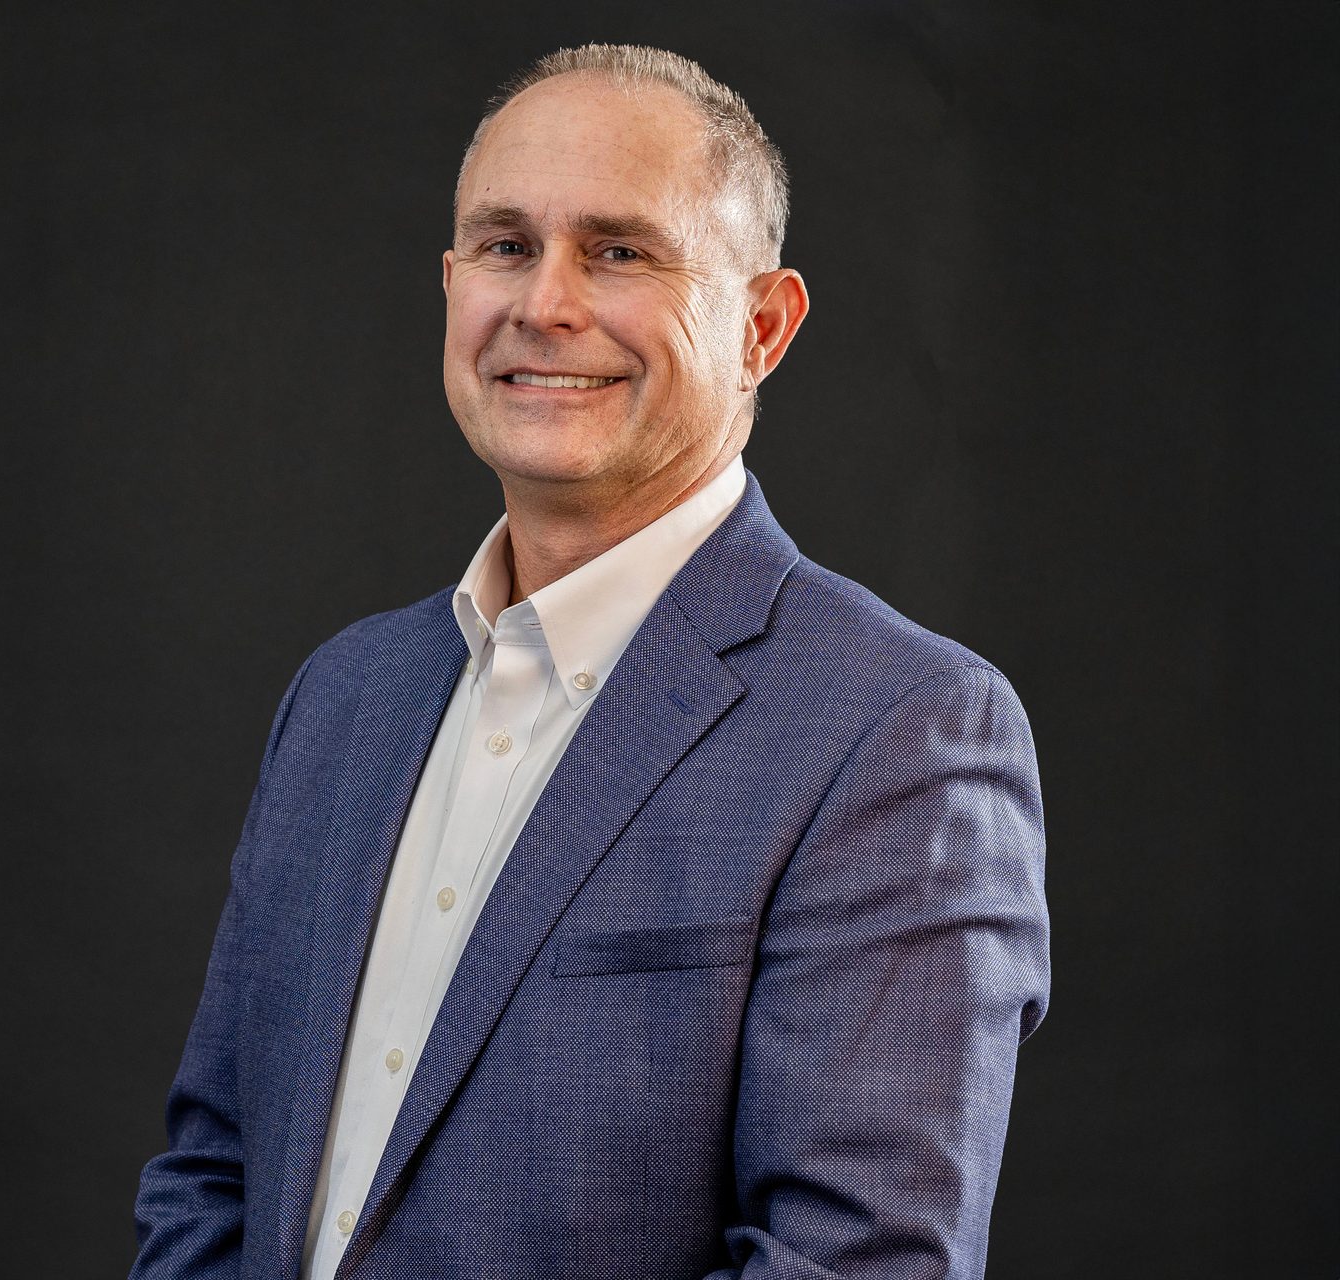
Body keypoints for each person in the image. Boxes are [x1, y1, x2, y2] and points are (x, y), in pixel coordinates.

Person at [131, 42, 1048, 1280]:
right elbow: (213, 1173)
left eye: (619, 251)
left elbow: (856, 1261)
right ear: (452, 283)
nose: (545, 302)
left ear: (763, 326)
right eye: (505, 246)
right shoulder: (346, 696)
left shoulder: (898, 729)